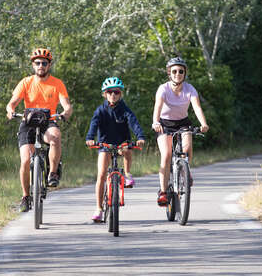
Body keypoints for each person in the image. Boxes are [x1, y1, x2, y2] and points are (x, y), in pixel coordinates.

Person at [6, 48, 73, 213]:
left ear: (49, 65)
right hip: (28, 123)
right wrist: (10, 111)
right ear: (33, 65)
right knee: (25, 161)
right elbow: (12, 103)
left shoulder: (57, 83)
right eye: (37, 63)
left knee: (55, 137)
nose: (40, 65)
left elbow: (66, 105)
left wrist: (65, 113)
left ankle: (53, 173)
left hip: (48, 122)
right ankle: (25, 197)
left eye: (44, 63)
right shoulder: (26, 82)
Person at [85, 77, 146, 222]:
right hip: (104, 144)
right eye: (110, 92)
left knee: (127, 149)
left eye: (116, 92)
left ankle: (128, 174)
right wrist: (90, 137)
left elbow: (133, 122)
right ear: (104, 94)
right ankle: (99, 208)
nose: (113, 95)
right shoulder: (100, 110)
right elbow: (94, 124)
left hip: (121, 142)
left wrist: (140, 136)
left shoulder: (124, 109)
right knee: (101, 175)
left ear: (121, 94)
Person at [151, 57, 209, 206]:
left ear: (185, 73)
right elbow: (157, 106)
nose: (177, 74)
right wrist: (155, 122)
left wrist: (203, 123)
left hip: (183, 123)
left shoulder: (190, 89)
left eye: (181, 71)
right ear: (169, 73)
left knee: (187, 147)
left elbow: (197, 107)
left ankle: (186, 170)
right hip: (164, 124)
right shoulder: (163, 89)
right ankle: (163, 192)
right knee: (167, 154)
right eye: (174, 71)